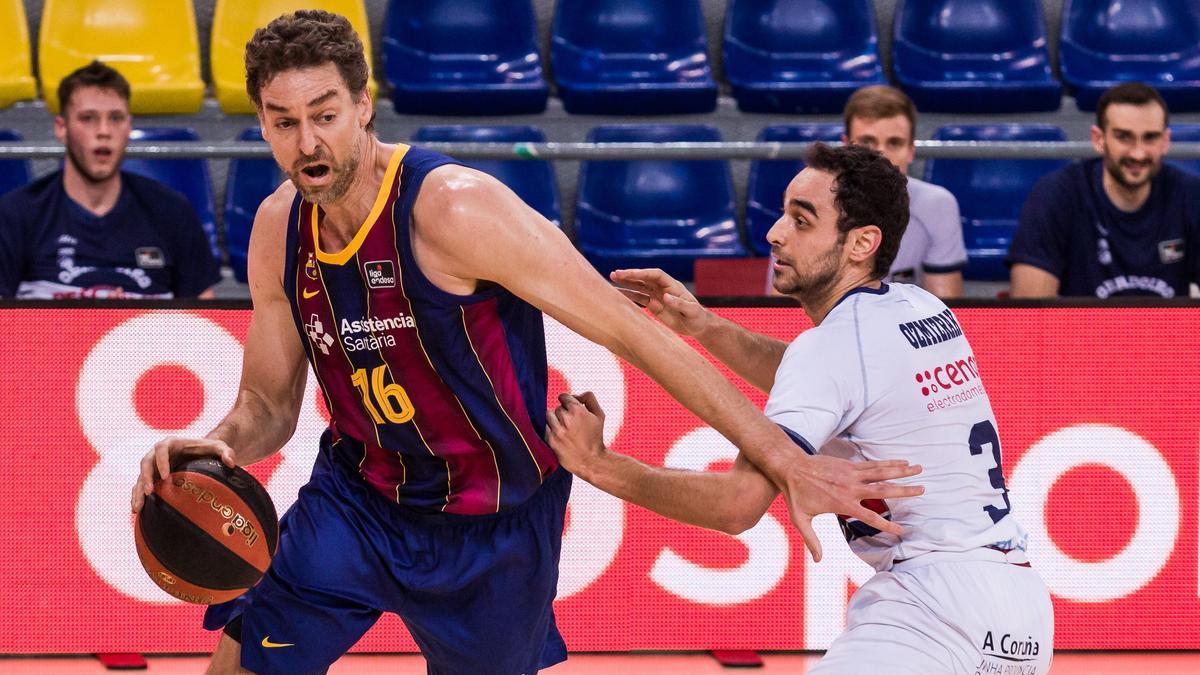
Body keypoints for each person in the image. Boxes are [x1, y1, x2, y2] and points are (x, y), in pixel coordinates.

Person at [128, 11, 920, 675]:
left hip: (493, 523)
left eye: (325, 114)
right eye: (284, 120)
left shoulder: (456, 209)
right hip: (360, 502)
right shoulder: (277, 229)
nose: (308, 142)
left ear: (364, 107)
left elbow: (638, 337)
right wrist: (217, 441)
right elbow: (267, 404)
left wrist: (782, 457)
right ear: (262, 121)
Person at [548, 143, 1054, 674]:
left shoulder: (835, 345)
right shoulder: (922, 307)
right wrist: (703, 325)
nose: (775, 233)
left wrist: (599, 464)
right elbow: (829, 379)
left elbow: (736, 506)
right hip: (1018, 612)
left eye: (802, 220)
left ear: (862, 243)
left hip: (932, 610)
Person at [0, 60, 220, 299]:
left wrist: (123, 321)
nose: (104, 131)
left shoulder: (172, 210)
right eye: (88, 118)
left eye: (115, 118)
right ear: (61, 127)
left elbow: (204, 317)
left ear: (129, 127)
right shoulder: (16, 214)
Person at [1009, 82, 1200, 298]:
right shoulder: (1056, 195)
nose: (1138, 153)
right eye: (1123, 137)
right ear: (1098, 139)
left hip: (1172, 332)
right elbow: (1029, 317)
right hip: (1080, 332)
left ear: (1165, 141)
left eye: (1150, 138)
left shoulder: (1191, 195)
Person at [842, 85, 966, 298]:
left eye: (894, 143)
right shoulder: (808, 202)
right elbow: (783, 311)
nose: (881, 156)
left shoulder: (937, 205)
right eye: (867, 142)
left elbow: (945, 312)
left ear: (911, 151)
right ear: (846, 146)